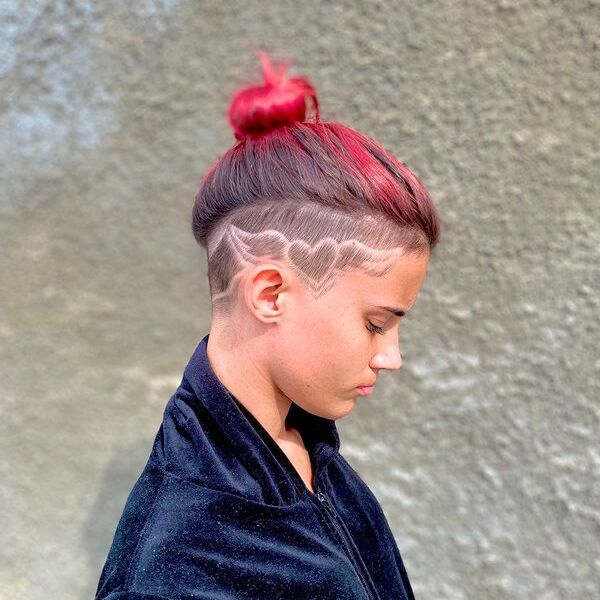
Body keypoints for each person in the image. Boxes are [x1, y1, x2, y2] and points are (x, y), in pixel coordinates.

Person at [95, 50, 440, 600]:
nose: (391, 356)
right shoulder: (181, 563)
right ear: (270, 293)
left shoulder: (300, 441)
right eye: (377, 324)